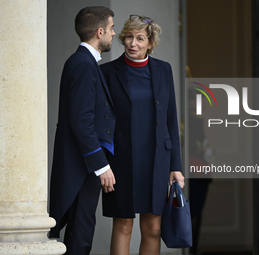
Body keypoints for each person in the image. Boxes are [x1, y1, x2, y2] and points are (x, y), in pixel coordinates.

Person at [100, 15, 185, 255]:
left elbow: (170, 119)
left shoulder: (163, 70)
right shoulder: (106, 72)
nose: (133, 43)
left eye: (140, 38)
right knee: (123, 225)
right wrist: (101, 163)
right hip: (120, 161)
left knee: (152, 228)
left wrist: (175, 166)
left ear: (150, 43)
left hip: (156, 160)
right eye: (129, 37)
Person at [49, 6, 116, 255]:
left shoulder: (82, 62)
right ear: (100, 32)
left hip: (82, 165)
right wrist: (101, 165)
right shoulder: (83, 64)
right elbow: (81, 121)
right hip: (81, 167)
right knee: (80, 236)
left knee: (80, 233)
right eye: (111, 28)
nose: (113, 33)